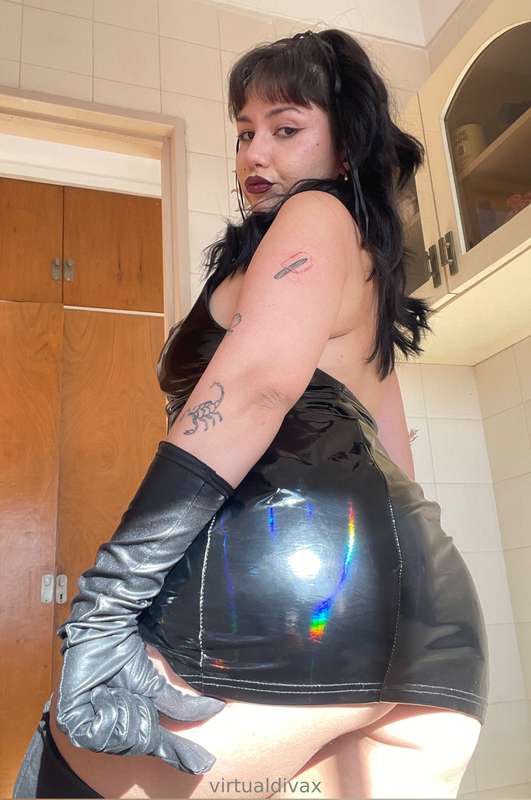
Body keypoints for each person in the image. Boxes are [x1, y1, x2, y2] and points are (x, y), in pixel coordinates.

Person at [13, 28, 489, 800]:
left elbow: (255, 387)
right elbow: (395, 459)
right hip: (435, 634)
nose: (254, 154)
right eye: (244, 133)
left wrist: (104, 605)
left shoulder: (315, 214)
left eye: (285, 128)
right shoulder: (370, 278)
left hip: (287, 619)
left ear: (344, 147)